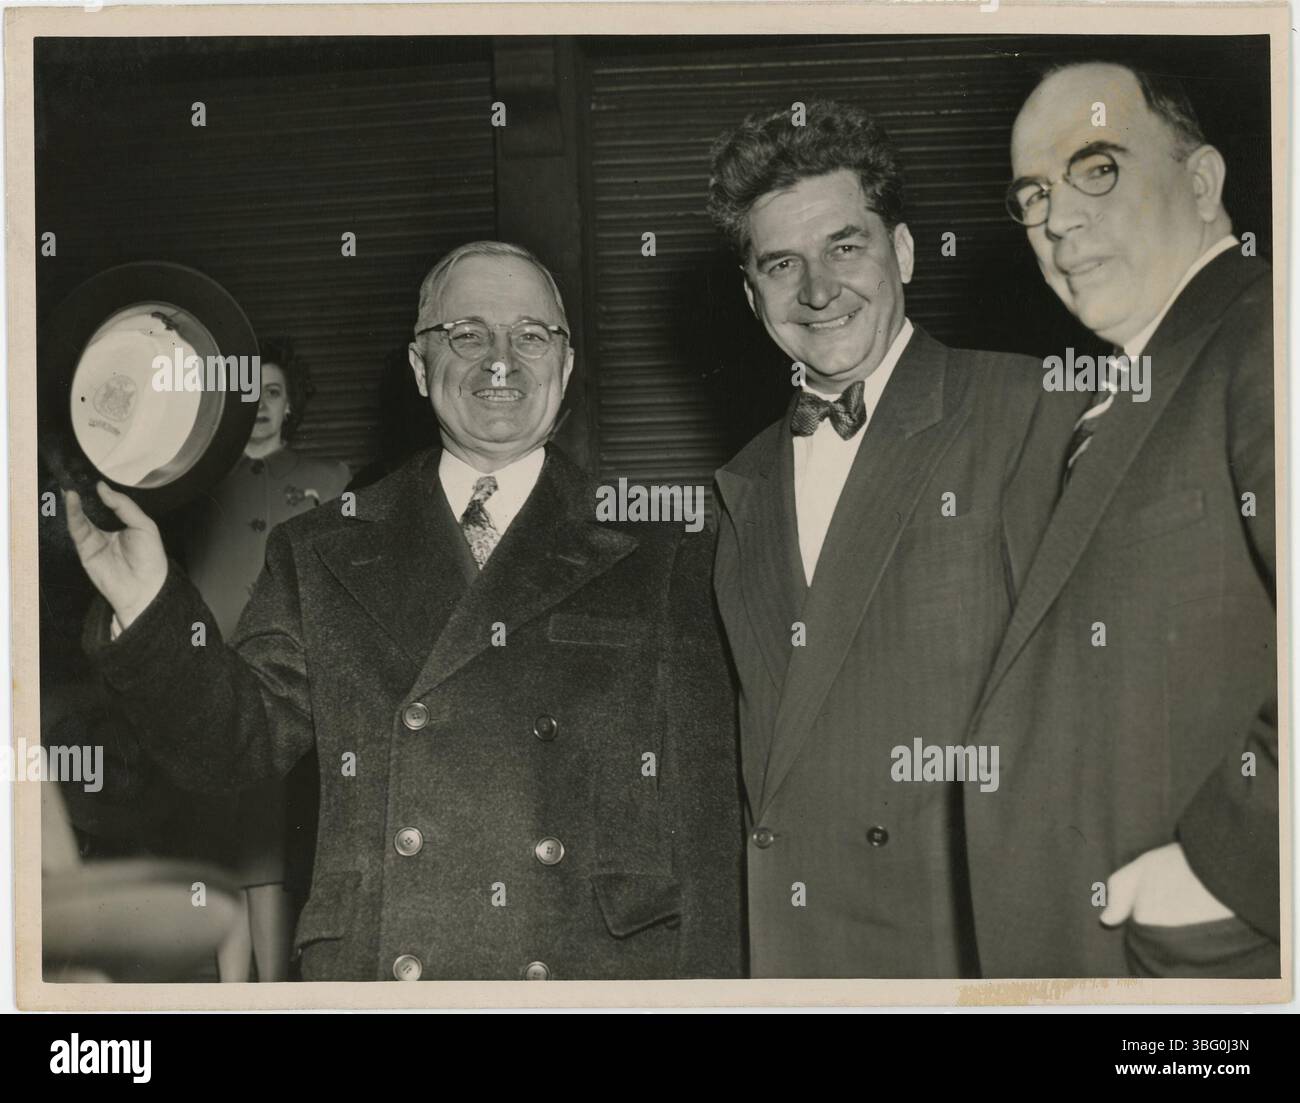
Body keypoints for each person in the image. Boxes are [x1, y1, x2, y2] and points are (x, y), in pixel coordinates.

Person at [65, 241, 744, 981]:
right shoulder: (323, 547)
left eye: (532, 335)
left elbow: (705, 821)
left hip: (590, 973)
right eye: (467, 334)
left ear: (568, 364)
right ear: (420, 368)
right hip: (386, 972)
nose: (500, 360)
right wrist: (147, 604)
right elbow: (233, 747)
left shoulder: (666, 546)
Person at [706, 101, 1057, 978]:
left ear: (901, 252)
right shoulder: (739, 484)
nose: (818, 290)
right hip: (795, 956)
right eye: (782, 264)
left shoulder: (1029, 411)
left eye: (844, 246)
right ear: (752, 298)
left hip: (962, 948)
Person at [964, 60, 1278, 977]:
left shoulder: (1267, 331)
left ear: (1203, 181)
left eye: (1096, 167)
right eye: (1033, 193)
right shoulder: (1142, 384)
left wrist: (1235, 869)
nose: (1057, 219)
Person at [182, 340, 350, 982]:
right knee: (218, 843)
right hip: (206, 682)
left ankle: (274, 991)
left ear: (292, 406)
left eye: (273, 392)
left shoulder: (331, 478)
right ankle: (230, 993)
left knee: (273, 847)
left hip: (290, 686)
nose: (260, 405)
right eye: (248, 392)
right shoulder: (193, 485)